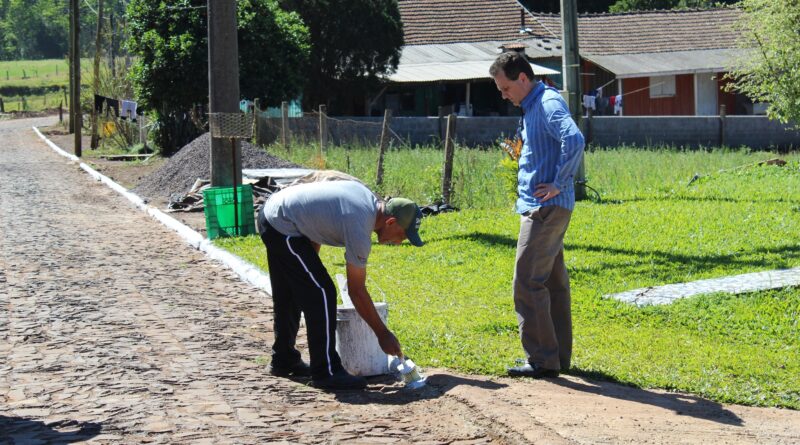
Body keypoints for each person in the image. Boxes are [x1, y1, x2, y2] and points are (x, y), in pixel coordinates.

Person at [257, 179, 424, 390]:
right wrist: (383, 334)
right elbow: (356, 291)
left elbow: (314, 220)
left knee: (292, 291)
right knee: (322, 292)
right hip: (282, 224)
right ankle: (326, 372)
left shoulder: (365, 201)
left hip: (275, 212)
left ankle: (284, 358)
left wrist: (306, 274)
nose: (400, 242)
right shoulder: (360, 226)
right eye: (402, 235)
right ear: (390, 222)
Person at [490, 51, 585, 378]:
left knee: (527, 281)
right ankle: (557, 356)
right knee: (552, 283)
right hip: (544, 207)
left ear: (523, 78)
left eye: (505, 88)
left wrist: (559, 182)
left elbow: (574, 139)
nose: (504, 96)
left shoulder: (546, 103)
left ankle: (543, 360)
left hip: (545, 209)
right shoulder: (533, 106)